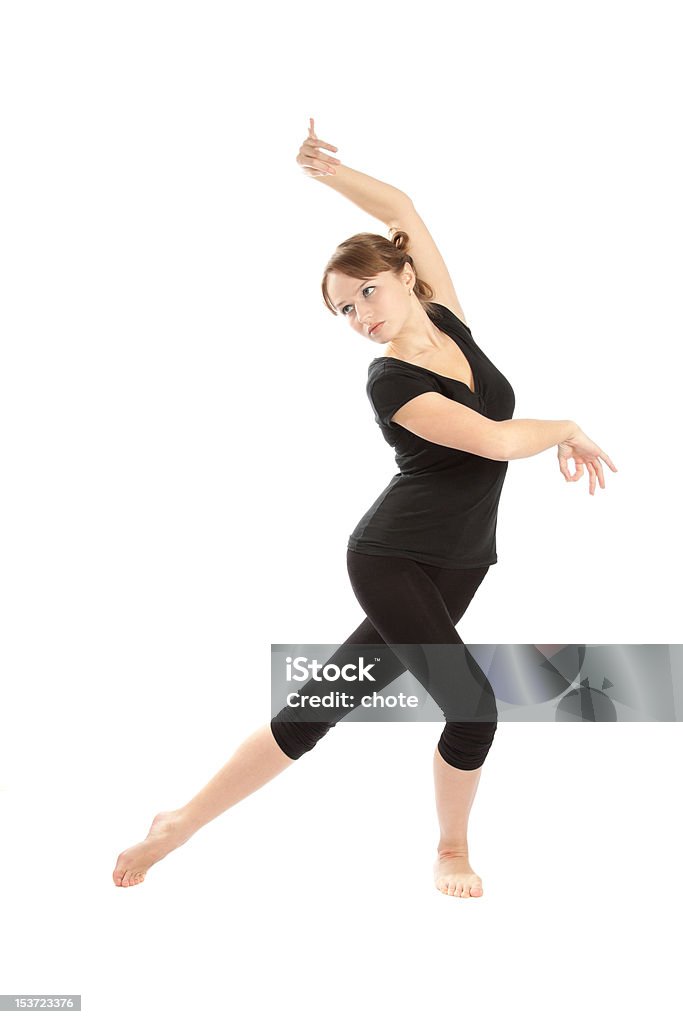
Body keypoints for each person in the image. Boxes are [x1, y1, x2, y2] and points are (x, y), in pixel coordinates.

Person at [113, 118, 617, 896]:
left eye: (365, 293)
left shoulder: (446, 319)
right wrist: (565, 428)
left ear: (403, 278)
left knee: (322, 705)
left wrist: (323, 174)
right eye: (343, 312)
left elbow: (405, 211)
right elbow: (489, 440)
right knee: (473, 708)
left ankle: (176, 823)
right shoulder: (389, 381)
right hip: (390, 557)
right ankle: (451, 852)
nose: (359, 317)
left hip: (460, 561)